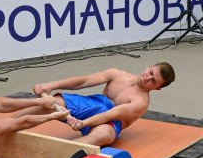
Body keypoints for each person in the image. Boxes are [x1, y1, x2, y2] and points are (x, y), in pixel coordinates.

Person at [15, 62, 175, 146]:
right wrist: (51, 85)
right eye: (151, 73)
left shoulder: (141, 102)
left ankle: (56, 155)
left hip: (111, 122)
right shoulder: (117, 74)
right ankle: (5, 128)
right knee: (48, 103)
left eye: (153, 81)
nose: (147, 78)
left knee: (103, 136)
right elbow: (84, 81)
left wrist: (84, 123)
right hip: (93, 103)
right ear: (149, 67)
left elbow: (111, 115)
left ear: (157, 88)